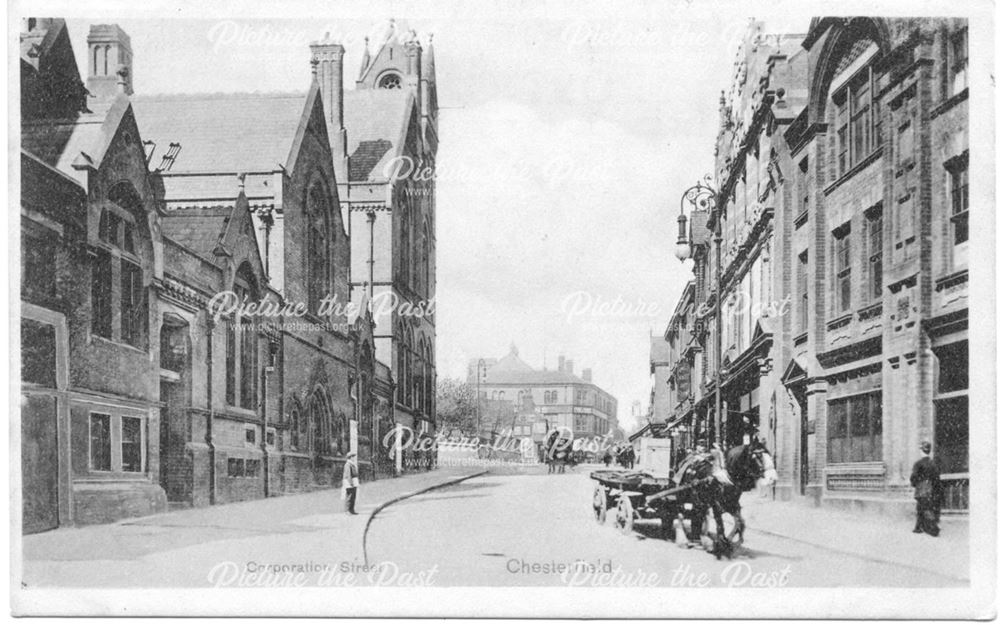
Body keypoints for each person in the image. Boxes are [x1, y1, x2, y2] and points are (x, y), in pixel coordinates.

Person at [910, 441, 942, 536]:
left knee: (923, 508)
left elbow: (913, 477)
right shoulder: (933, 463)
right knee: (925, 508)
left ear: (921, 451)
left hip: (921, 489)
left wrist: (915, 484)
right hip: (931, 489)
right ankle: (918, 527)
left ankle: (933, 529)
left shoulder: (918, 464)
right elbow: (937, 478)